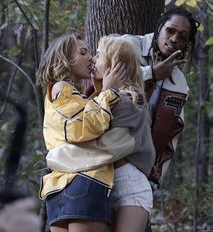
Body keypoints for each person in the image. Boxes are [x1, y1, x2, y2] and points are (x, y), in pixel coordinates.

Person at [48, 34, 156, 232]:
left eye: (98, 55)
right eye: (89, 54)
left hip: (129, 187)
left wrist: (58, 157)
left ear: (114, 65)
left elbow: (104, 149)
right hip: (104, 184)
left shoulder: (129, 101)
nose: (92, 60)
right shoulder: (99, 99)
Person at [36, 34, 126, 232]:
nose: (91, 58)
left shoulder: (60, 94)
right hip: (83, 180)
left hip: (59, 187)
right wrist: (108, 92)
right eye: (83, 53)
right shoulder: (63, 88)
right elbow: (83, 128)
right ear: (65, 60)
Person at [122, 7, 200, 189]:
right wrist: (151, 73)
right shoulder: (128, 45)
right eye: (170, 30)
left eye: (182, 36)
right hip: (106, 157)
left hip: (139, 171)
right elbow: (103, 75)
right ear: (160, 28)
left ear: (187, 44)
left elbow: (170, 136)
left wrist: (154, 179)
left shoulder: (179, 83)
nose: (174, 39)